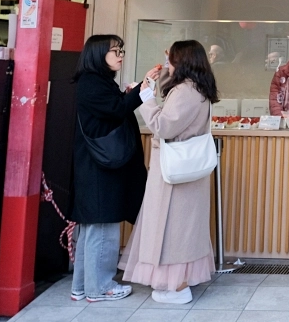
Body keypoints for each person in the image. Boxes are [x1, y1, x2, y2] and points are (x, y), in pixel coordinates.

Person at [120, 40, 218, 304]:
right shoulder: (197, 88)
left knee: (172, 230)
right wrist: (154, 79)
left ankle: (177, 287)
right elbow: (171, 99)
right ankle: (178, 283)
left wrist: (146, 99)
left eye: (171, 60)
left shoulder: (185, 92)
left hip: (174, 173)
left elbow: (163, 126)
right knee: (185, 230)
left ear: (182, 62)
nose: (168, 65)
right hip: (189, 171)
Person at [70, 35, 148, 302]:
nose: (120, 55)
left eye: (121, 50)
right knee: (103, 225)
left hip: (95, 164)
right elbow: (117, 110)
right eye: (115, 51)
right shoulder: (93, 83)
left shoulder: (94, 81)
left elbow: (113, 109)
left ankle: (82, 286)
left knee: (92, 228)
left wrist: (134, 92)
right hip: (100, 166)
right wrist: (143, 90)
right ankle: (100, 287)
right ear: (98, 54)